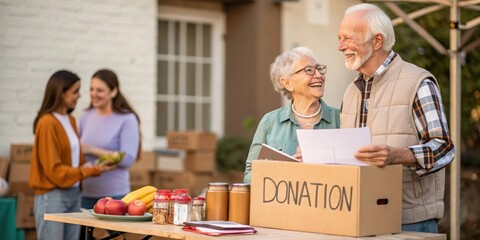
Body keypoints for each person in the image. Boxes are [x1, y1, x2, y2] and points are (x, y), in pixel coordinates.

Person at [337, 3, 455, 233]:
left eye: (348, 38)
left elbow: (444, 148)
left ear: (377, 41)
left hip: (410, 219)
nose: (340, 46)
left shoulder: (418, 82)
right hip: (360, 214)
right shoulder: (350, 91)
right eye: (339, 38)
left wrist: (398, 155)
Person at [30, 70, 116, 240]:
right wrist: (91, 170)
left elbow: (74, 162)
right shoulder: (47, 122)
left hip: (74, 193)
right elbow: (54, 172)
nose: (80, 95)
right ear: (61, 93)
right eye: (75, 91)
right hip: (52, 195)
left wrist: (96, 166)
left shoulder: (70, 120)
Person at [243, 46, 340, 183]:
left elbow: (357, 171)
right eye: (309, 70)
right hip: (282, 204)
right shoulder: (270, 122)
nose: (319, 75)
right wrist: (283, 170)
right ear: (287, 83)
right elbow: (248, 177)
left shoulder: (341, 118)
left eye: (319, 69)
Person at [78, 69, 141, 209]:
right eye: (91, 89)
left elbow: (128, 159)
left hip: (115, 196)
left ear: (113, 92)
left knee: (114, 232)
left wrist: (91, 149)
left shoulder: (127, 119)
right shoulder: (85, 116)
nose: (94, 94)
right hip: (85, 194)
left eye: (99, 90)